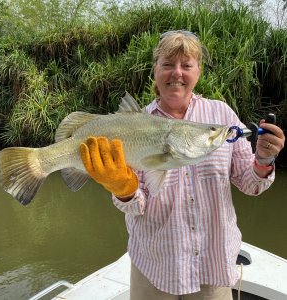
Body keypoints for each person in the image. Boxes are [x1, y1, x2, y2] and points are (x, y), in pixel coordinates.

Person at [80, 31, 285, 300]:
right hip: (154, 267)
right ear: (155, 70)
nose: (177, 73)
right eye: (167, 64)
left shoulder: (221, 116)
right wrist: (124, 188)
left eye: (186, 65)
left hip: (212, 268)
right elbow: (136, 205)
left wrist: (263, 159)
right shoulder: (134, 123)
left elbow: (250, 183)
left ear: (198, 71)